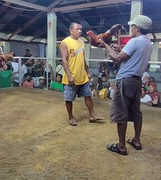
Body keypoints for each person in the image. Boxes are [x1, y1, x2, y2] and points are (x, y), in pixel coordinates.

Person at [102, 15, 153, 155]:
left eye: (132, 26)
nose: (131, 28)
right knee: (136, 112)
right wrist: (120, 49)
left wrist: (106, 45)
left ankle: (121, 146)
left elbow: (118, 60)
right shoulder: (148, 43)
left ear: (137, 28)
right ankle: (136, 141)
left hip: (125, 80)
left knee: (121, 113)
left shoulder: (134, 41)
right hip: (137, 81)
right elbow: (133, 57)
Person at [60, 22, 104, 126]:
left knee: (88, 96)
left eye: (80, 29)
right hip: (71, 77)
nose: (80, 31)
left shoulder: (82, 43)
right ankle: (70, 117)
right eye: (77, 29)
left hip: (82, 76)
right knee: (69, 99)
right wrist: (69, 76)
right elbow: (64, 60)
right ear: (71, 30)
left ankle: (92, 115)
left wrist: (87, 71)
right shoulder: (65, 42)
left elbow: (82, 59)